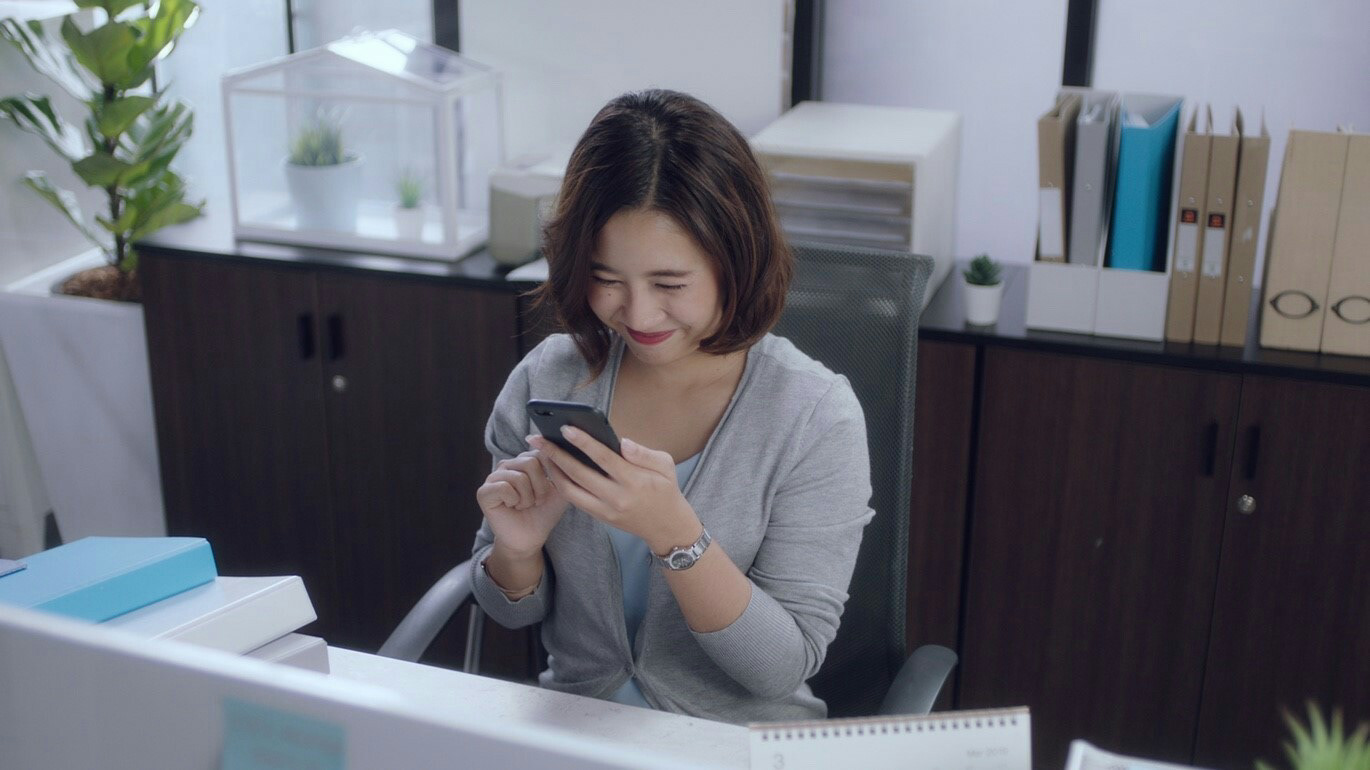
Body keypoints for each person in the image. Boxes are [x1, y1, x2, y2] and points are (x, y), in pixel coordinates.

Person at [469, 89, 873, 724]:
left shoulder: (813, 416)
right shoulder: (550, 377)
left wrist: (675, 534)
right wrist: (516, 551)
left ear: (736, 261)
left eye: (669, 283)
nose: (638, 314)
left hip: (733, 747)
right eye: (607, 279)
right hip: (578, 730)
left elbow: (781, 668)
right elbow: (509, 610)